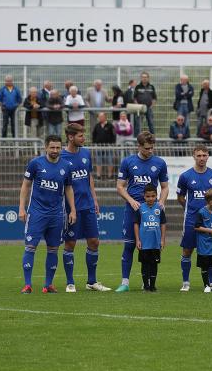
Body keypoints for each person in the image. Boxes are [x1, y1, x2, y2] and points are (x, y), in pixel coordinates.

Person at [18, 135, 76, 293]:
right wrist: (22, 208)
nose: (55, 150)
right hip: (36, 213)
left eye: (58, 148)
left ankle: (48, 284)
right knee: (30, 247)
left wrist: (73, 209)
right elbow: (25, 186)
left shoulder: (66, 166)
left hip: (57, 215)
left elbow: (69, 188)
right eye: (52, 147)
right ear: (46, 147)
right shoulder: (35, 163)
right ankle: (28, 284)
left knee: (53, 249)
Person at [115, 132, 169, 292]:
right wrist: (131, 200)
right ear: (139, 146)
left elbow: (165, 187)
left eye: (152, 148)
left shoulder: (159, 163)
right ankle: (125, 282)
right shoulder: (128, 161)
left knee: (151, 249)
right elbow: (119, 186)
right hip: (133, 210)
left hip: (151, 212)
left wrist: (161, 202)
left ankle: (147, 282)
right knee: (129, 246)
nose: (150, 151)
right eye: (147, 148)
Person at [61, 123, 108, 292]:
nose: (84, 138)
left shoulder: (86, 153)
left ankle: (92, 281)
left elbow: (89, 177)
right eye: (80, 136)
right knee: (70, 244)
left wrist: (94, 199)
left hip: (88, 205)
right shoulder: (62, 157)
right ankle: (70, 282)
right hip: (71, 208)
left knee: (94, 241)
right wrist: (70, 208)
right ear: (70, 137)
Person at [176, 144, 212, 292]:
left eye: (204, 155)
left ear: (208, 156)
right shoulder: (185, 176)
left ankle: (211, 284)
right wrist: (190, 209)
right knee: (187, 250)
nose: (202, 158)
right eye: (199, 155)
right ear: (194, 156)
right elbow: (180, 196)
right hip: (191, 219)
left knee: (210, 252)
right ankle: (186, 282)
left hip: (210, 220)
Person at [134, 184, 166, 292]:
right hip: (144, 243)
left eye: (153, 196)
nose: (150, 198)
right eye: (148, 196)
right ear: (144, 196)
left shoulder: (160, 208)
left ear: (156, 196)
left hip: (155, 242)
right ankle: (146, 285)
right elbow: (136, 224)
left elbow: (163, 224)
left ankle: (152, 285)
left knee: (154, 264)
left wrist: (162, 239)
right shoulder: (140, 208)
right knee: (145, 264)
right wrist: (138, 240)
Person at [193, 189, 212, 292]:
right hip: (203, 244)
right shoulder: (201, 212)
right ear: (211, 201)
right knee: (205, 266)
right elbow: (196, 227)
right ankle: (206, 285)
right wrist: (210, 230)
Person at [91, 112, 116, 179]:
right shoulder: (97, 126)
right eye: (99, 117)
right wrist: (94, 144)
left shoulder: (110, 125)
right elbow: (94, 135)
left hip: (108, 146)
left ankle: (110, 175)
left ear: (105, 117)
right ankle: (98, 175)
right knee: (98, 160)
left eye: (101, 117)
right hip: (99, 146)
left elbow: (113, 135)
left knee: (110, 160)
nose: (100, 118)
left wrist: (112, 144)